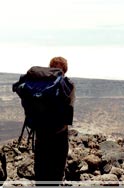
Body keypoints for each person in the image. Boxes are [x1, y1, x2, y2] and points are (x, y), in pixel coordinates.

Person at [34, 57, 75, 186]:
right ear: (65, 70)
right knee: (56, 171)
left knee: (41, 170)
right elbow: (70, 106)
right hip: (60, 134)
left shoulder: (39, 84)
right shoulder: (68, 85)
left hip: (41, 133)